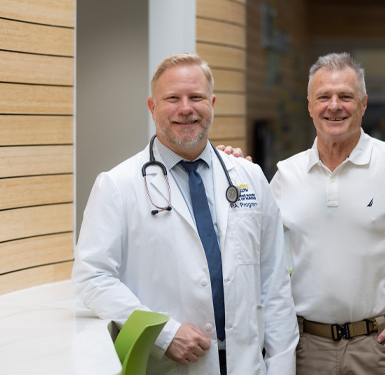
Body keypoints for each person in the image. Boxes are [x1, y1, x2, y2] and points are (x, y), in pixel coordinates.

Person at [221, 52, 385, 374]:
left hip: (380, 347)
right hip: (304, 348)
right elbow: (251, 242)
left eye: (346, 96)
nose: (334, 106)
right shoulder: (287, 174)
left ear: (363, 103)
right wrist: (233, 173)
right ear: (310, 105)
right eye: (324, 97)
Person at [72, 52, 299, 375]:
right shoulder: (118, 185)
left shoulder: (249, 177)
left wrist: (280, 367)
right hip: (170, 365)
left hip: (247, 364)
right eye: (172, 98)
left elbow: (274, 284)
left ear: (212, 103)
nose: (186, 108)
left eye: (196, 97)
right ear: (152, 107)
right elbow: (91, 277)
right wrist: (163, 333)